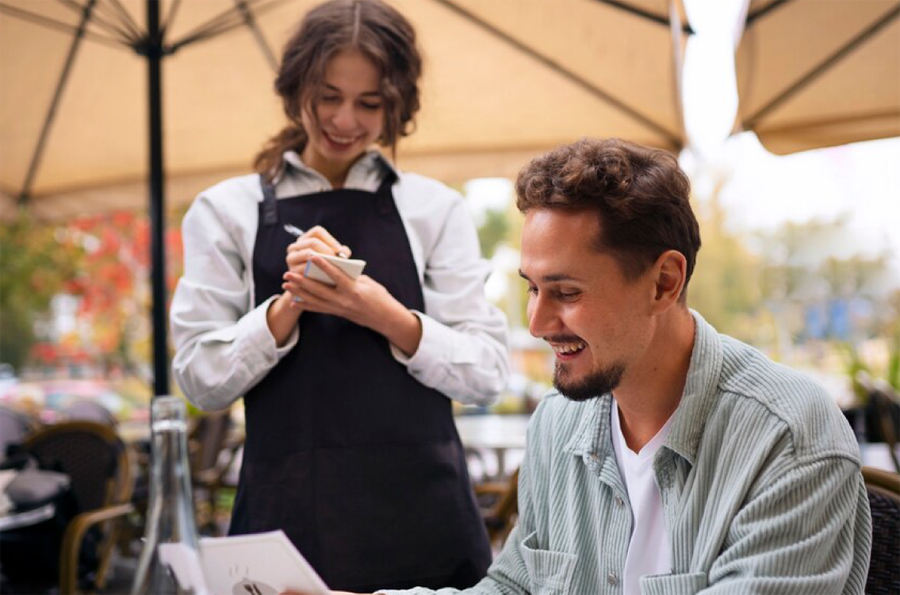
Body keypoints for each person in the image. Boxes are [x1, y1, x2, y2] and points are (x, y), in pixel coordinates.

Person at [325, 137, 872, 595]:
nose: (537, 323)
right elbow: (513, 589)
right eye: (532, 288)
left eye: (565, 291)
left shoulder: (789, 439)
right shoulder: (557, 423)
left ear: (664, 283)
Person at [169, 0, 509, 591]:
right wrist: (290, 303)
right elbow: (200, 380)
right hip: (289, 523)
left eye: (369, 103)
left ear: (396, 105)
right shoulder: (225, 211)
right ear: (296, 85)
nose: (345, 119)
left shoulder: (435, 209)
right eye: (328, 96)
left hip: (425, 524)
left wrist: (387, 318)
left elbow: (488, 373)